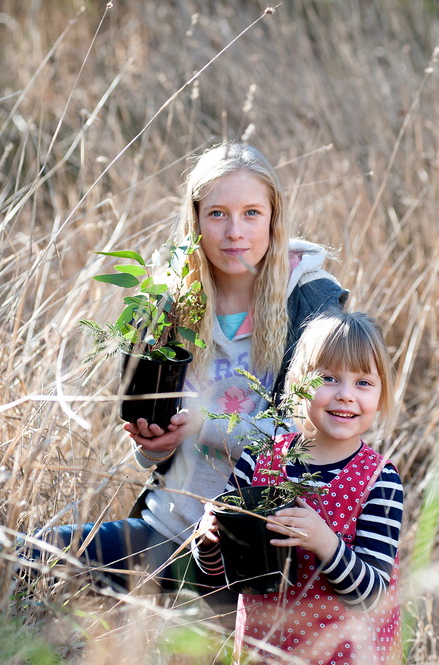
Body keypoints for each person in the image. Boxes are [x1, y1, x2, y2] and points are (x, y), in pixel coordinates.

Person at [32, 141, 347, 612]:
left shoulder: (312, 306)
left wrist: (207, 423)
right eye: (217, 214)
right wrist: (150, 445)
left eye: (252, 213)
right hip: (167, 530)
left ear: (274, 218)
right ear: (195, 220)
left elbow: (318, 438)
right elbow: (153, 432)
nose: (235, 232)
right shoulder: (168, 303)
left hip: (255, 551)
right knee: (29, 558)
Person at [194, 311, 404, 664]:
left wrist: (325, 543)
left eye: (363, 383)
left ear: (381, 397)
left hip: (343, 655)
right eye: (328, 378)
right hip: (263, 650)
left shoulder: (378, 480)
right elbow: (220, 575)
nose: (346, 395)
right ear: (297, 385)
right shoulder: (259, 461)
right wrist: (209, 539)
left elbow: (371, 597)